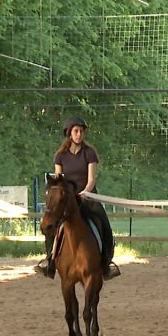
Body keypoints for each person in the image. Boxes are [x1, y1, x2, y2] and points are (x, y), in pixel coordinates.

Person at [35, 116, 121, 280]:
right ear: (69, 133)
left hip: (88, 197)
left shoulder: (90, 153)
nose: (79, 134)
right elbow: (58, 180)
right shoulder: (60, 156)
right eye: (76, 131)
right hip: (68, 199)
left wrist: (84, 193)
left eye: (81, 131)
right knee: (50, 223)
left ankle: (106, 263)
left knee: (104, 222)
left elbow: (91, 180)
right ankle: (49, 262)